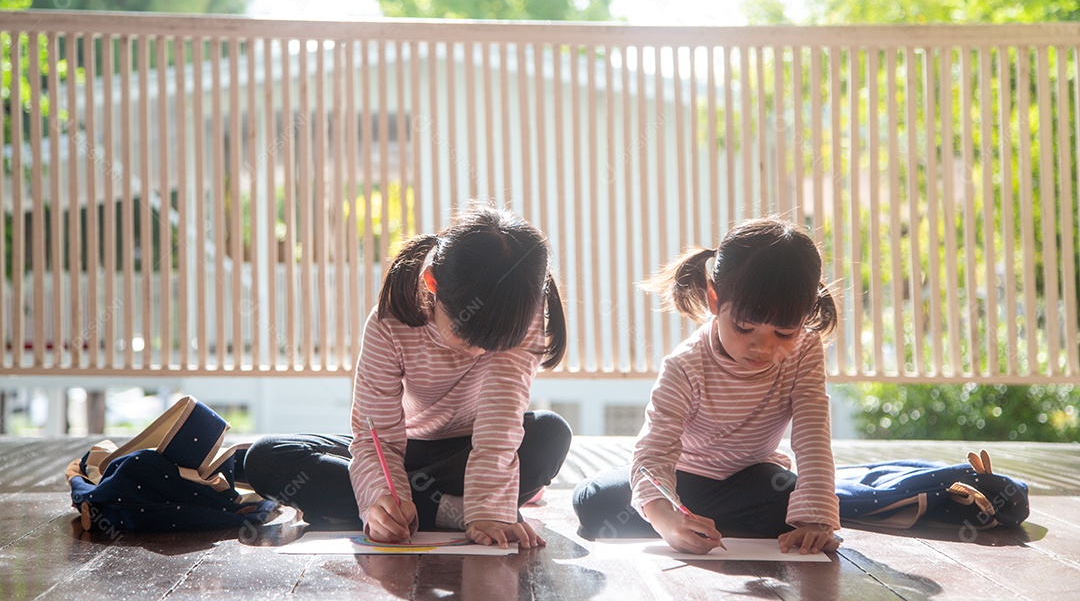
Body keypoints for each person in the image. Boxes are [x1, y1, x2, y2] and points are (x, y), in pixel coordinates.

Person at [244, 204, 571, 550]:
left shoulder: (521, 312)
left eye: (493, 346)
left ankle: (462, 508)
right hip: (401, 451)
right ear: (432, 282)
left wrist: (488, 504)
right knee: (268, 457)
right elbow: (376, 438)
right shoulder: (390, 322)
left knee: (551, 434)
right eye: (466, 339)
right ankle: (452, 511)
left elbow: (500, 425)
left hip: (467, 453)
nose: (478, 353)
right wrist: (381, 500)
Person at [572, 216, 841, 555]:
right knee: (594, 501)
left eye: (784, 333)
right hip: (682, 479)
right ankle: (691, 523)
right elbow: (654, 455)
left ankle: (702, 524)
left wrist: (815, 519)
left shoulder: (805, 349)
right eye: (745, 328)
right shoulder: (685, 365)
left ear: (805, 316)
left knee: (797, 500)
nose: (764, 348)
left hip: (753, 480)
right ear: (714, 299)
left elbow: (812, 432)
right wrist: (667, 520)